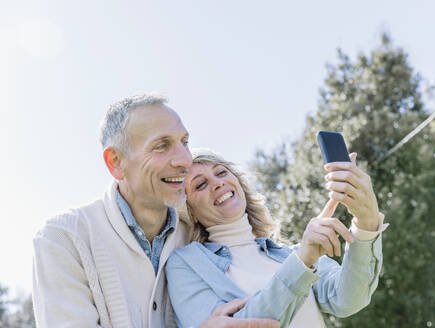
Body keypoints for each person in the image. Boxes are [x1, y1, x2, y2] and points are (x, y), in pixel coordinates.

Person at [32, 94, 279, 328]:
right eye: (162, 146)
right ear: (116, 162)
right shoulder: (62, 238)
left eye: (185, 143)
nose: (184, 160)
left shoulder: (199, 236)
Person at [166, 148, 388, 328]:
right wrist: (302, 262)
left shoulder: (289, 254)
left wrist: (366, 224)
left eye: (222, 172)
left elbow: (348, 300)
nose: (217, 183)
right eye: (200, 184)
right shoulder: (186, 264)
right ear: (191, 212)